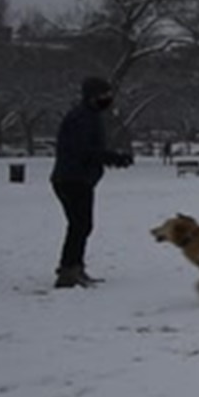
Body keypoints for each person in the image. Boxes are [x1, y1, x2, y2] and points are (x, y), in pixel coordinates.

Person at [49, 76, 134, 289]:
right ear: (92, 96)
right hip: (73, 179)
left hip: (76, 178)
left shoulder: (90, 116)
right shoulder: (82, 118)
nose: (108, 98)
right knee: (80, 225)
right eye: (104, 95)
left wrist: (109, 158)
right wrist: (112, 158)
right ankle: (69, 271)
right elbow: (83, 151)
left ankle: (73, 266)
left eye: (109, 94)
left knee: (80, 225)